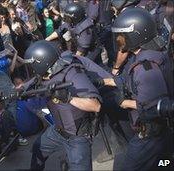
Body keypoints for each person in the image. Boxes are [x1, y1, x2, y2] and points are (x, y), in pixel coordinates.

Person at [106, 8, 174, 170]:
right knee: (162, 163)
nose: (118, 41)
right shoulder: (150, 51)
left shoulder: (145, 68)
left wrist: (125, 102)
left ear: (134, 35)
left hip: (150, 133)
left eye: (121, 37)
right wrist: (104, 81)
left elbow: (152, 106)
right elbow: (130, 80)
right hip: (162, 131)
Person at [22, 40, 102, 170]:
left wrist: (68, 98)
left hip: (78, 137)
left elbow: (95, 105)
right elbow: (30, 84)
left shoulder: (72, 73)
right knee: (38, 148)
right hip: (58, 130)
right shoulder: (46, 75)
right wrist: (19, 91)